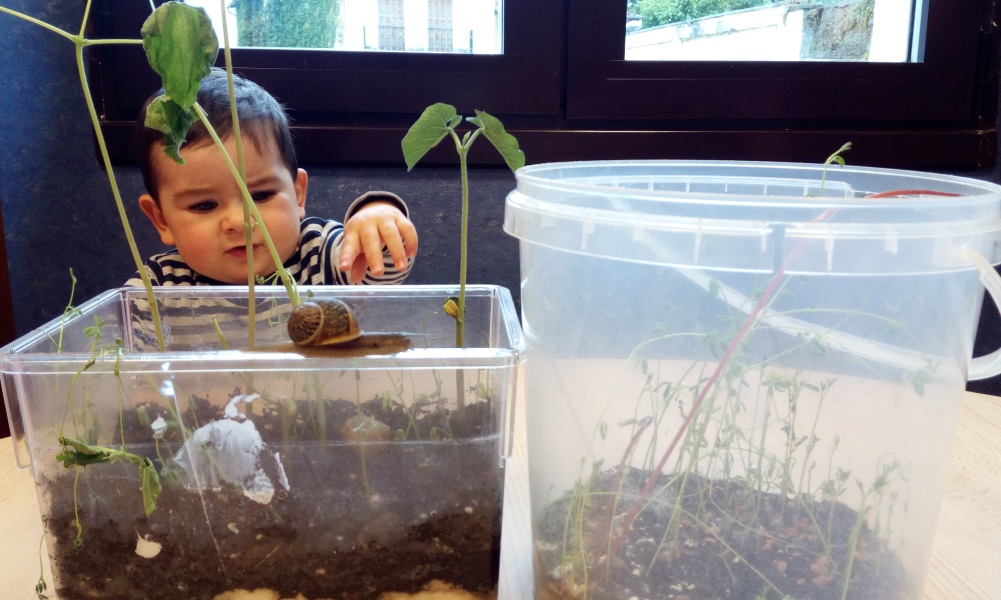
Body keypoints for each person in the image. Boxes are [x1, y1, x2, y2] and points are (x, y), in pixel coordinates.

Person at [126, 67, 417, 288]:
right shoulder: (158, 285)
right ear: (161, 220)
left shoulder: (319, 254)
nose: (240, 222)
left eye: (260, 195)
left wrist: (377, 216)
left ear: (297, 193)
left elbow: (383, 268)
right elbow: (119, 339)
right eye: (204, 205)